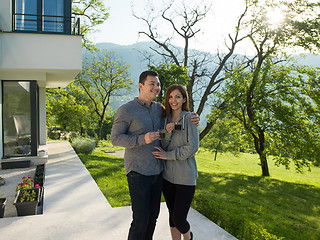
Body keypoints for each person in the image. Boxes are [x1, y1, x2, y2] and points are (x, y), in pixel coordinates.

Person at [111, 71, 199, 240]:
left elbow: (178, 119)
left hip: (158, 173)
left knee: (153, 218)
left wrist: (193, 118)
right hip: (138, 172)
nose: (156, 87)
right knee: (141, 220)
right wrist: (141, 139)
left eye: (158, 84)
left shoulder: (160, 109)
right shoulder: (126, 109)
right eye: (152, 84)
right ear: (140, 86)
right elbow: (115, 138)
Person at [152, 84, 199, 240]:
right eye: (171, 97)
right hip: (167, 177)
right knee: (172, 215)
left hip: (185, 177)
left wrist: (169, 156)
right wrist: (166, 132)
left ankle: (188, 237)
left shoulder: (190, 118)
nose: (174, 100)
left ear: (184, 99)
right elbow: (163, 145)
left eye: (178, 96)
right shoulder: (164, 119)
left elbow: (192, 147)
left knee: (179, 218)